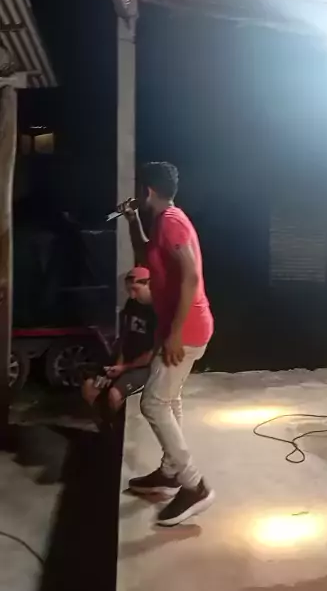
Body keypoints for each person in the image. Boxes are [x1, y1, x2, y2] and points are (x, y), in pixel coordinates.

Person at [125, 162, 214, 527]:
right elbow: (146, 254)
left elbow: (191, 275)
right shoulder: (163, 222)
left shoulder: (172, 221)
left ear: (147, 190)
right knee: (169, 398)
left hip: (186, 329)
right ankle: (169, 472)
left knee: (153, 403)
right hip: (179, 327)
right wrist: (132, 220)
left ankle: (193, 485)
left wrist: (175, 332)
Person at [81, 267, 155, 419]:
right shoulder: (131, 304)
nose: (132, 295)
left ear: (148, 284)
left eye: (135, 289)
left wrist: (123, 368)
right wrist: (116, 365)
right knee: (89, 387)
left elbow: (152, 354)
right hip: (125, 362)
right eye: (129, 290)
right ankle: (104, 425)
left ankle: (118, 425)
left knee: (114, 395)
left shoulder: (157, 311)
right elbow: (124, 337)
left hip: (146, 365)